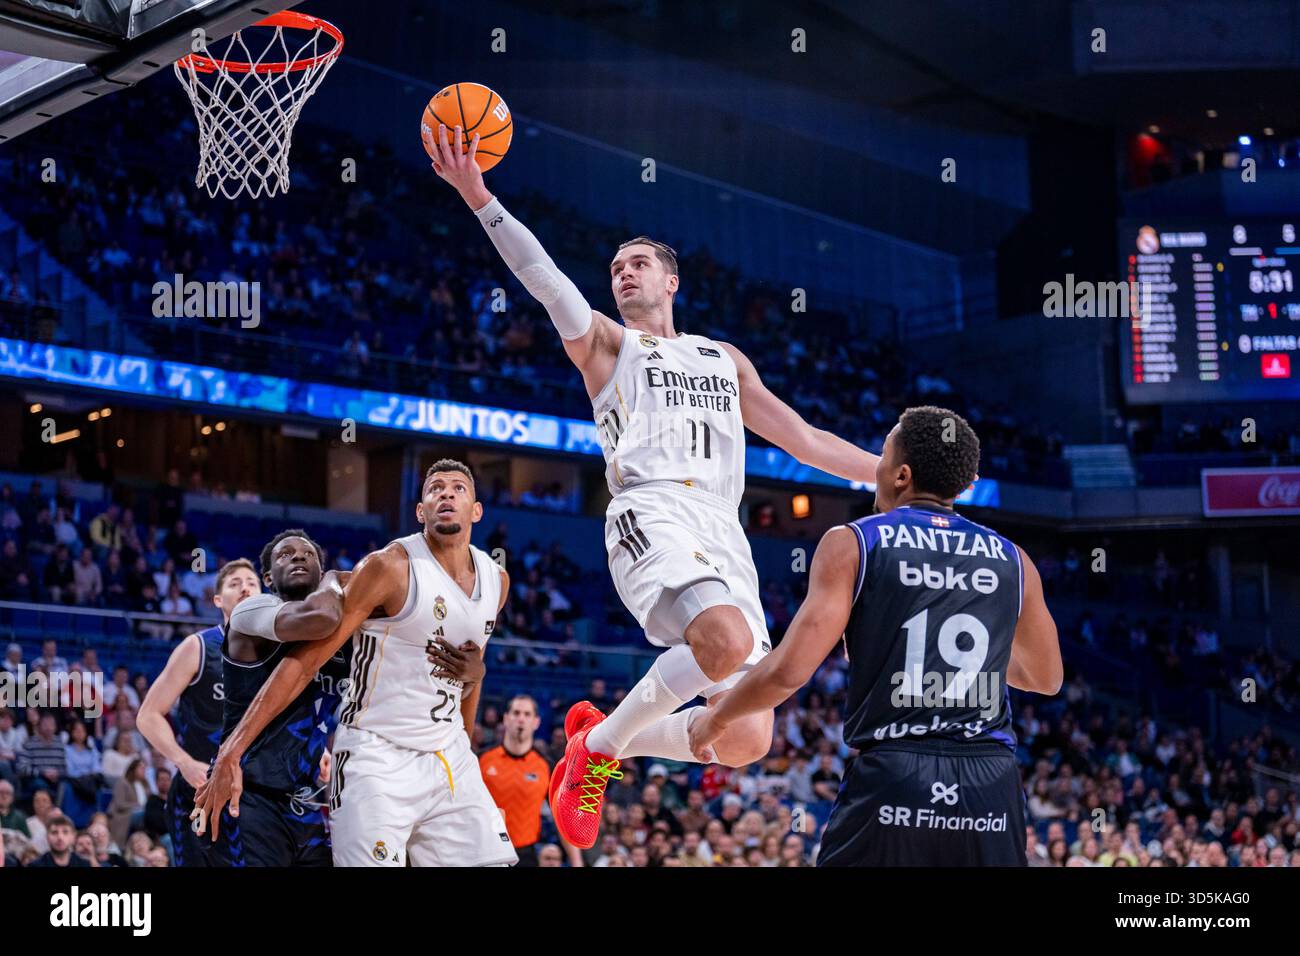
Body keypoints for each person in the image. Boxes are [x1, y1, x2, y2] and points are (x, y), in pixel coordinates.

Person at [428, 120, 882, 849]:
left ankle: (600, 741)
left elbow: (802, 440)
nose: (624, 273)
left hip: (721, 530)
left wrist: (888, 473)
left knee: (747, 738)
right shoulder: (608, 345)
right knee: (726, 641)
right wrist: (480, 197)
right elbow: (544, 281)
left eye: (638, 263)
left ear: (672, 280)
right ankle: (601, 750)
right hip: (651, 509)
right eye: (616, 266)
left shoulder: (723, 358)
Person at [690, 407, 1062, 866]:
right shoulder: (1014, 559)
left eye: (882, 456)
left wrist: (718, 718)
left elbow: (788, 672)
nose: (876, 468)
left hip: (896, 773)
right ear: (966, 484)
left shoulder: (854, 542)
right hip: (991, 786)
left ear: (901, 475)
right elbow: (1046, 678)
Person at [195, 462, 515, 867]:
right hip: (376, 755)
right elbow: (306, 659)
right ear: (420, 511)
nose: (446, 495)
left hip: (447, 756)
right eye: (435, 488)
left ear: (476, 510)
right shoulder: (388, 567)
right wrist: (230, 751)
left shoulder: (496, 581)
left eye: (457, 488)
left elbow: (469, 669)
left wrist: (467, 740)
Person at [193, 530, 351, 867]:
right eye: (285, 555)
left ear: (318, 572)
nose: (297, 557)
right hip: (247, 795)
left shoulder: (342, 633)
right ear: (267, 577)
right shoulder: (254, 610)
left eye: (307, 554)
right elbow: (321, 618)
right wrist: (336, 580)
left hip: (307, 804)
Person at [138, 558, 259, 866]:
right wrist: (183, 762)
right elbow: (148, 715)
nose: (245, 586)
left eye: (252, 582)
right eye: (235, 583)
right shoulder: (198, 647)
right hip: (200, 790)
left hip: (257, 794)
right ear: (218, 600)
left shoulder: (278, 652)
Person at [479, 694, 551, 865]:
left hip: (525, 854)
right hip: (484, 850)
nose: (521, 719)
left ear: (536, 722)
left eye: (527, 714)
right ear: (505, 719)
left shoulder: (546, 765)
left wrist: (576, 860)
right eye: (516, 713)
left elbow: (561, 816)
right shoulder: (481, 759)